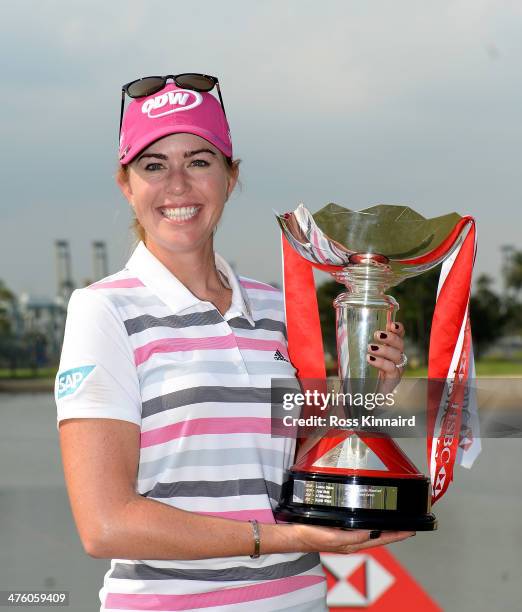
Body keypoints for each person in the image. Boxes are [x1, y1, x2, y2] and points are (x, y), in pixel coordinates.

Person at [56, 74, 413, 612]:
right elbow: (105, 525)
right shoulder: (103, 310)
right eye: (154, 165)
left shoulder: (276, 308)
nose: (178, 185)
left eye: (199, 161)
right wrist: (287, 538)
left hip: (299, 598)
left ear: (230, 176)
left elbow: (298, 459)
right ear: (126, 185)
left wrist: (365, 397)